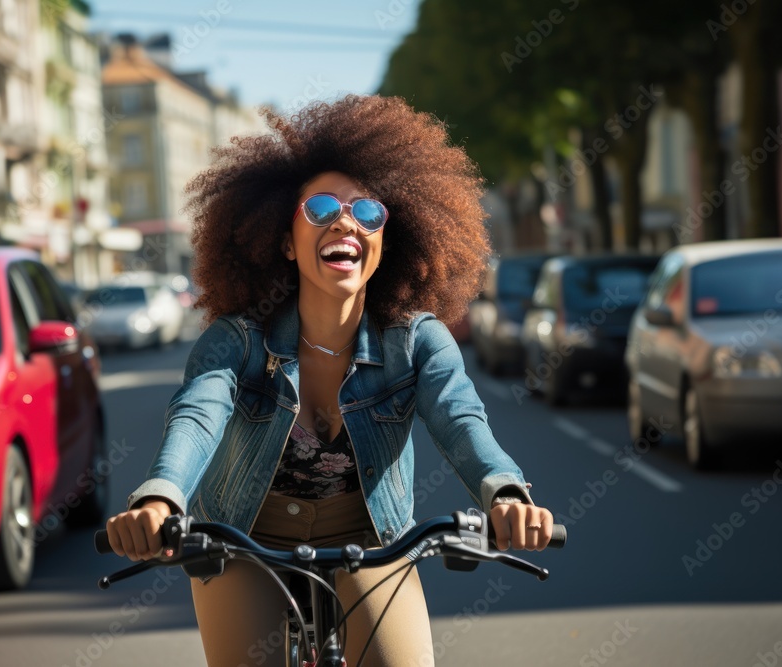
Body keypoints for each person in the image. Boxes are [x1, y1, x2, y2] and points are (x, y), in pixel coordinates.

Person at [105, 95, 556, 667]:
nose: (345, 220)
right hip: (246, 538)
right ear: (285, 241)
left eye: (368, 213)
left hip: (370, 539)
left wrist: (506, 493)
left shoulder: (417, 340)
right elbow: (195, 416)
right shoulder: (238, 340)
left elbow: (462, 420)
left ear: (385, 244)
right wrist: (160, 501)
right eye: (319, 208)